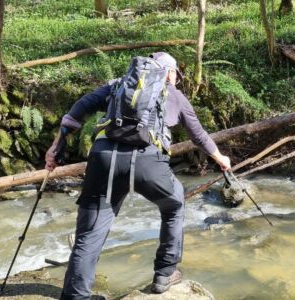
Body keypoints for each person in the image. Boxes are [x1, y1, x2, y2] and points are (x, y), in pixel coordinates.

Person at [45, 52, 232, 299]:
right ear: (169, 73)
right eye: (176, 75)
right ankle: (165, 274)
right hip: (147, 162)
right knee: (174, 203)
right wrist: (221, 159)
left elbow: (80, 107)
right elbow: (197, 135)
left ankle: (76, 296)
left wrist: (57, 146)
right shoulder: (174, 95)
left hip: (104, 159)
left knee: (90, 233)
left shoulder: (118, 85)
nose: (177, 80)